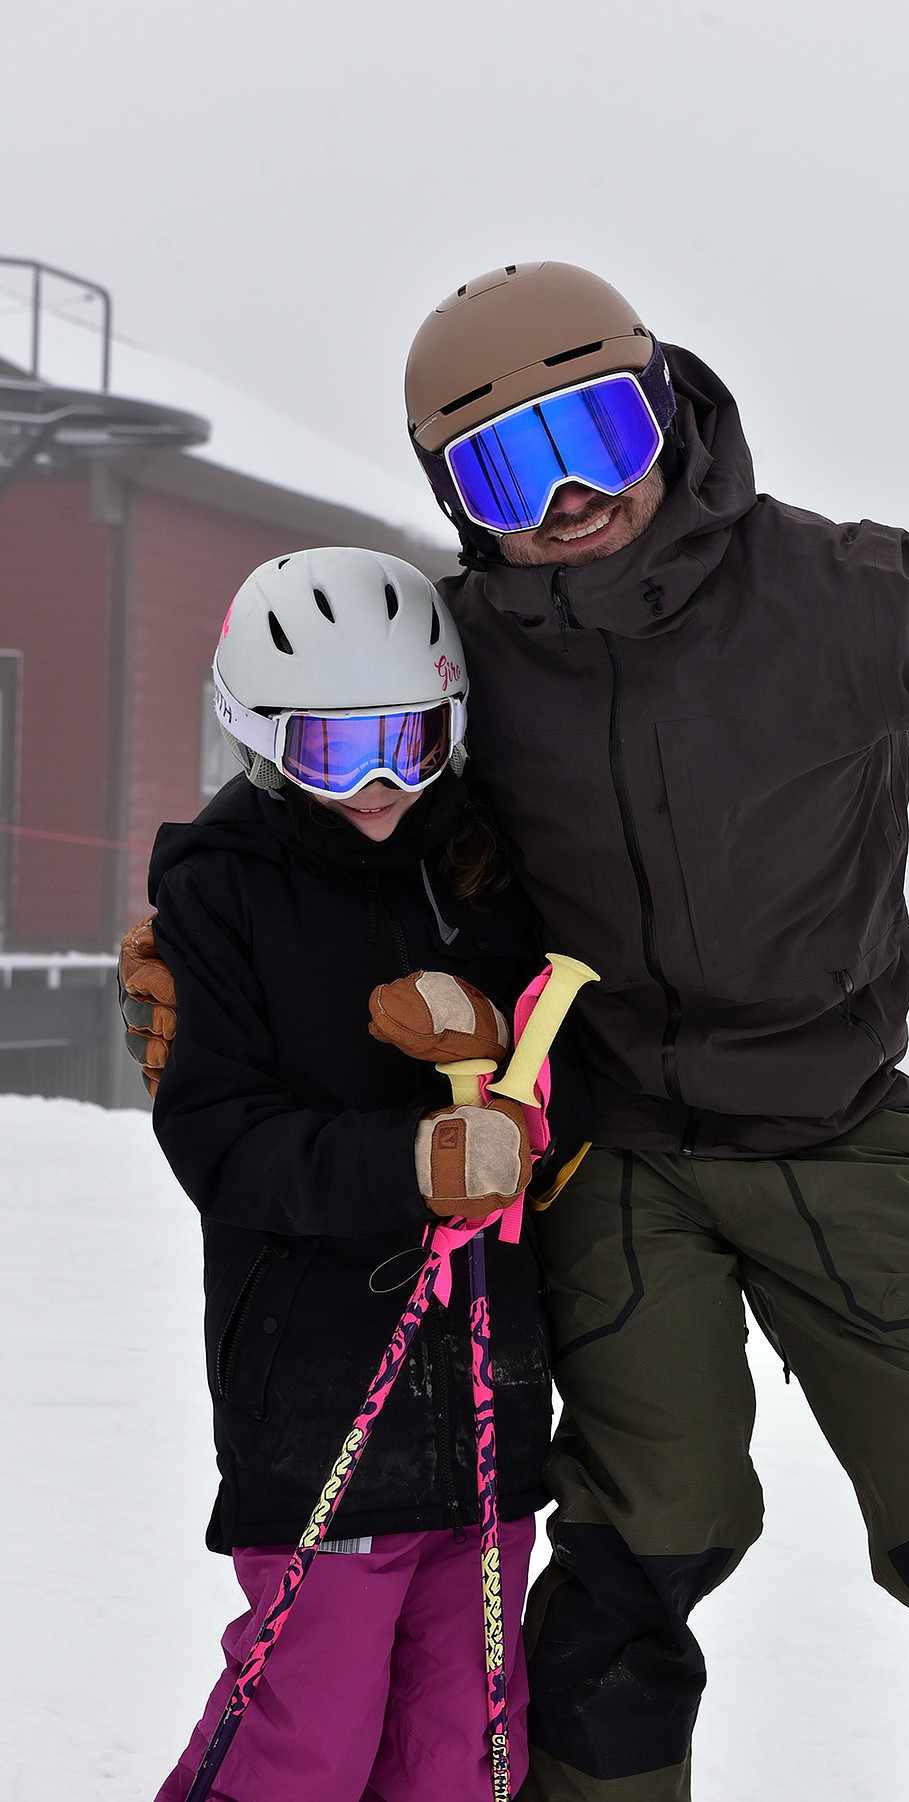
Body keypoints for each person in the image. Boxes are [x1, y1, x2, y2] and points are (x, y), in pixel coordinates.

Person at [125, 264, 909, 1802]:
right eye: (500, 466)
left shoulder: (840, 593)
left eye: (595, 433)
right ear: (454, 495)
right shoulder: (469, 644)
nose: (564, 497)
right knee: (624, 1575)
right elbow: (330, 779)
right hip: (608, 1150)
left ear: (662, 407)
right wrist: (197, 941)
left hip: (836, 1120)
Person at [133, 545, 578, 1802]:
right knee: (308, 1740)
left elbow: (559, 1064)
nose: (379, 782)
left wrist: (509, 1077)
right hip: (319, 1386)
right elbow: (223, 1140)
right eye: (335, 752)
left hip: (485, 1386)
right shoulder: (225, 888)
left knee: (462, 1751)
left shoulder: (488, 865)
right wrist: (412, 1157)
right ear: (261, 739)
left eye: (409, 740)